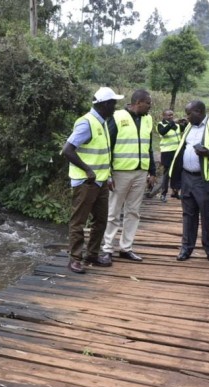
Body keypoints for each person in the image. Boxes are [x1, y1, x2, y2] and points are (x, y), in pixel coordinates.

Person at [62, 87, 124, 274]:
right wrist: (87, 170)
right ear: (104, 105)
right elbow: (67, 150)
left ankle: (92, 254)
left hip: (101, 182)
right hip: (85, 182)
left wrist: (109, 177)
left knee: (101, 220)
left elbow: (103, 154)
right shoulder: (86, 123)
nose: (115, 107)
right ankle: (75, 259)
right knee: (78, 222)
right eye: (113, 103)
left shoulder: (102, 122)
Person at [169, 100, 209, 264]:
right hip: (187, 177)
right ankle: (186, 248)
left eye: (189, 113)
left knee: (206, 215)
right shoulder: (189, 126)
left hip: (204, 179)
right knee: (188, 214)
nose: (187, 117)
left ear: (198, 111)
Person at [101, 89, 157, 263]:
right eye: (148, 103)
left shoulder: (148, 119)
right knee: (113, 211)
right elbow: (107, 146)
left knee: (133, 212)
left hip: (140, 172)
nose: (150, 106)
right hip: (120, 172)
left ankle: (126, 248)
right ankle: (107, 248)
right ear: (138, 102)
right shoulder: (117, 117)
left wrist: (152, 171)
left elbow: (148, 147)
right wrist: (108, 174)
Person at [156, 109, 186, 202]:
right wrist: (172, 123)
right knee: (167, 173)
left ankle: (175, 191)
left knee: (177, 171)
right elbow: (163, 132)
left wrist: (185, 122)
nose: (171, 116)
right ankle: (163, 193)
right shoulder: (161, 124)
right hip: (167, 152)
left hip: (177, 151)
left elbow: (184, 129)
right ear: (163, 116)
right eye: (168, 115)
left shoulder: (176, 125)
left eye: (172, 115)